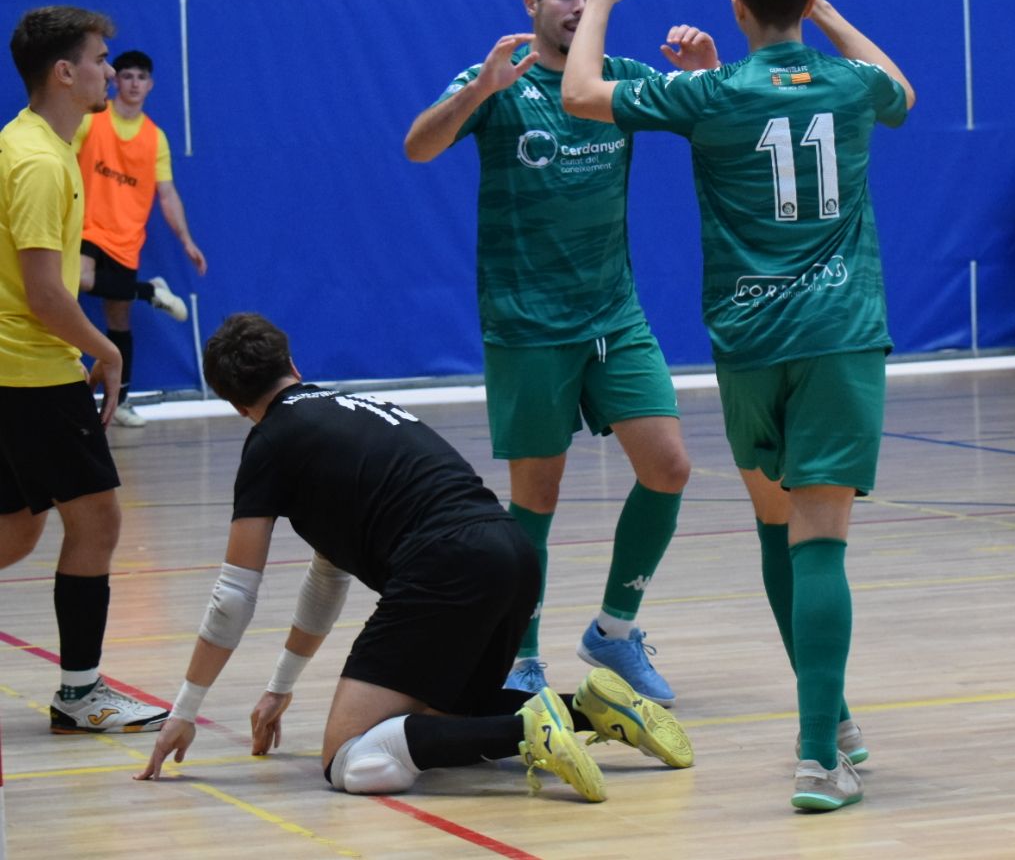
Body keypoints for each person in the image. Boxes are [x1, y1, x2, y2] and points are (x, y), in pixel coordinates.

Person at [561, 0, 915, 812]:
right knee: (820, 538)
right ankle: (817, 756)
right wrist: (826, 11)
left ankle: (831, 722)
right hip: (838, 334)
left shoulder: (712, 93)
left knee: (775, 524)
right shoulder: (849, 83)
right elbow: (901, 89)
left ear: (737, 9)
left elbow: (580, 94)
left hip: (751, 344)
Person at [136, 313, 693, 797]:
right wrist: (279, 688)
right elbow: (328, 577)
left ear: (238, 406)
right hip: (513, 557)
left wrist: (184, 712)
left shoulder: (270, 442)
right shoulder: (354, 408)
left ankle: (529, 731)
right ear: (293, 365)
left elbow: (233, 597)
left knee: (348, 759)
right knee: (445, 715)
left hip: (446, 568)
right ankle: (586, 709)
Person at [403, 0, 712, 705]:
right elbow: (419, 147)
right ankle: (522, 655)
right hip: (528, 323)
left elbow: (712, 116)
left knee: (669, 467)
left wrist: (705, 72)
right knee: (536, 499)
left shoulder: (621, 80)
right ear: (532, 5)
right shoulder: (501, 79)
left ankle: (613, 631)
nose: (577, 5)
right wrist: (477, 92)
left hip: (616, 316)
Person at [0, 6, 170, 734]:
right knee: (97, 519)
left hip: (12, 369)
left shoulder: (27, 141)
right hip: (32, 372)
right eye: (101, 60)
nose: (110, 71)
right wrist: (106, 350)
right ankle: (81, 693)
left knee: (15, 529)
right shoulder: (40, 162)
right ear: (66, 72)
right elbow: (45, 295)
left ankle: (81, 691)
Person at [73, 50, 205, 426]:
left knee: (119, 321)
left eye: (140, 77)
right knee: (76, 279)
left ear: (150, 85)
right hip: (86, 227)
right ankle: (150, 292)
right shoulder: (91, 119)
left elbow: (167, 193)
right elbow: (62, 158)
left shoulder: (154, 138)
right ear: (115, 80)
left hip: (126, 238)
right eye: (127, 75)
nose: (133, 83)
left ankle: (120, 402)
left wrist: (186, 240)